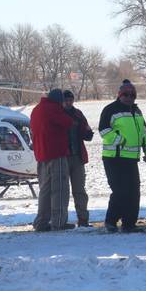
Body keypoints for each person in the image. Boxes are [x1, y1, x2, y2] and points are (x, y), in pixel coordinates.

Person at [99, 80, 146, 233]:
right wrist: (120, 141)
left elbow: (144, 134)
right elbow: (104, 130)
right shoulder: (111, 109)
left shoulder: (137, 112)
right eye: (126, 95)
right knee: (120, 191)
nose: (129, 98)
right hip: (114, 158)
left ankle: (129, 223)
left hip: (131, 159)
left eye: (132, 95)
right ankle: (111, 221)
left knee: (134, 191)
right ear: (120, 95)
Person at [30, 89, 76, 231]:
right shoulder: (54, 109)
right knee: (60, 189)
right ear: (58, 100)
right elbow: (68, 122)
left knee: (45, 190)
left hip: (41, 155)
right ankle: (59, 222)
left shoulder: (36, 109)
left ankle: (41, 222)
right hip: (56, 154)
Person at [62, 90, 94, 227]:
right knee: (62, 191)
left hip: (77, 157)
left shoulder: (78, 114)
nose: (69, 103)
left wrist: (87, 132)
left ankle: (83, 219)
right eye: (66, 100)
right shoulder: (58, 115)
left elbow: (87, 133)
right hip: (62, 157)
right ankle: (61, 221)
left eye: (70, 100)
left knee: (79, 190)